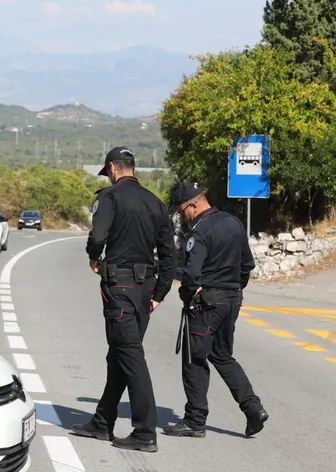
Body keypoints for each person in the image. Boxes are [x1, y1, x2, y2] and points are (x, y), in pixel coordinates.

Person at [71, 146, 176, 453]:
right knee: (119, 354)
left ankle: (145, 431)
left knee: (130, 356)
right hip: (145, 290)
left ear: (113, 170)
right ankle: (102, 422)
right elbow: (169, 256)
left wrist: (93, 257)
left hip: (120, 287)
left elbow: (98, 236)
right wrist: (159, 294)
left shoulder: (110, 197)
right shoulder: (156, 204)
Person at [163, 182, 268, 439]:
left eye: (182, 211)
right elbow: (248, 264)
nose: (182, 217)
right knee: (222, 355)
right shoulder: (234, 222)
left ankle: (195, 420)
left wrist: (187, 294)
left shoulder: (199, 232)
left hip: (206, 304)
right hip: (232, 301)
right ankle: (253, 408)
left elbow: (190, 274)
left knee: (194, 360)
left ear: (194, 204)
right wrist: (233, 290)